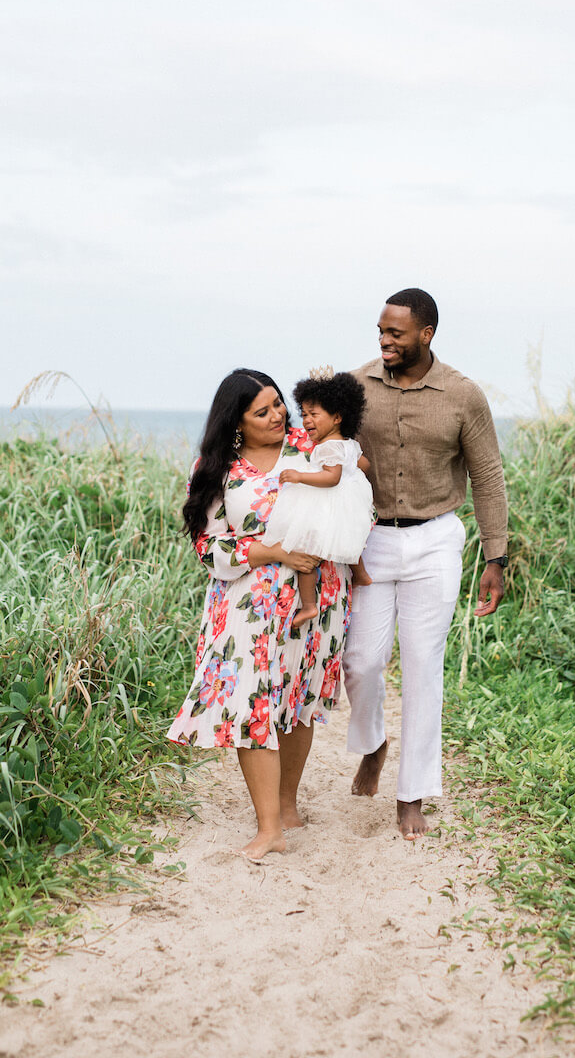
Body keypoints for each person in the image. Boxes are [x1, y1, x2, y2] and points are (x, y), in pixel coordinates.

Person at [167, 368, 352, 862]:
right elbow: (208, 545)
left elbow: (353, 500)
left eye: (277, 405)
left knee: (298, 698)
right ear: (236, 421)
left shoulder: (309, 447)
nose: (277, 416)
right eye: (261, 411)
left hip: (315, 598)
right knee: (250, 703)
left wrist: (315, 547)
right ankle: (269, 827)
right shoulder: (216, 467)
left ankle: (287, 806)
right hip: (245, 602)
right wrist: (272, 552)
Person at [344, 288, 508, 841]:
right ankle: (372, 744)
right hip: (370, 542)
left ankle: (412, 793)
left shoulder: (463, 395)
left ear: (426, 335)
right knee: (361, 661)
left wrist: (496, 555)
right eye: (381, 332)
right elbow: (325, 452)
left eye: (396, 333)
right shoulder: (357, 386)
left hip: (436, 541)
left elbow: (487, 476)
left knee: (422, 668)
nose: (385, 341)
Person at [262, 369, 374, 627]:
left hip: (327, 502)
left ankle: (309, 606)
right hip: (348, 503)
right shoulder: (348, 443)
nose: (306, 421)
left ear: (336, 417)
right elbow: (364, 465)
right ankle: (362, 575)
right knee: (349, 541)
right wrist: (352, 482)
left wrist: (300, 476)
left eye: (314, 414)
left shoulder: (327, 447)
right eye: (303, 415)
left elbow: (331, 478)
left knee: (305, 551)